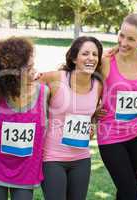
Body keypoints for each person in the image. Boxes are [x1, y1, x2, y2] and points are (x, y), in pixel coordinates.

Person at [0, 37, 48, 200]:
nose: (34, 71)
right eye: (29, 68)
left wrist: (92, 117)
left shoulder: (43, 92)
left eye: (32, 66)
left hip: (26, 170)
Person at [39, 36, 103, 200]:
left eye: (95, 54)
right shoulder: (56, 78)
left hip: (81, 159)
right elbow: (27, 87)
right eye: (85, 53)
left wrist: (93, 126)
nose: (91, 58)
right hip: (52, 158)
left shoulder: (98, 85)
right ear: (74, 58)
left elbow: (93, 115)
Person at [96, 13, 137, 200]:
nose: (123, 42)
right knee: (132, 195)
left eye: (131, 38)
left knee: (125, 193)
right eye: (121, 35)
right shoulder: (105, 60)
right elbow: (83, 84)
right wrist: (92, 112)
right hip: (111, 137)